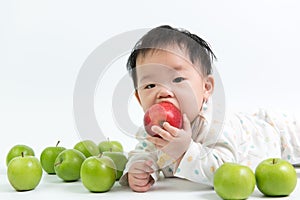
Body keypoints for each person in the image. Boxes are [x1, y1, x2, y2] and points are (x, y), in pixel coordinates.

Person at [118, 25, 300, 192]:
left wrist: (184, 150)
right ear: (138, 98)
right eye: (150, 85)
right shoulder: (153, 131)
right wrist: (138, 168)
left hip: (276, 132)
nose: (163, 92)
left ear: (206, 88)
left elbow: (224, 170)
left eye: (178, 79)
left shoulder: (216, 124)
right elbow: (143, 153)